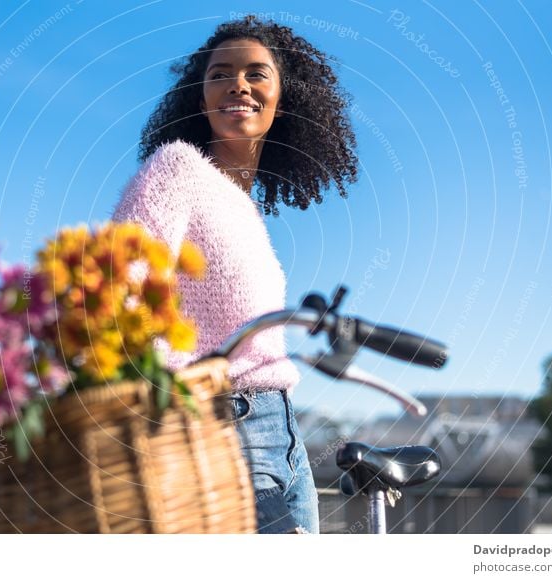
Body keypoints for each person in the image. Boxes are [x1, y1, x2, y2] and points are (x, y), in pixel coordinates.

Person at [112, 15, 358, 534]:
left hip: (282, 435)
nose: (238, 85)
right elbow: (122, 287)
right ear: (200, 97)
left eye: (256, 74)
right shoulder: (177, 170)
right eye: (220, 74)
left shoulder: (242, 208)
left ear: (282, 98)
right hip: (214, 428)